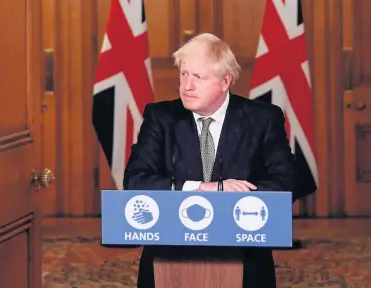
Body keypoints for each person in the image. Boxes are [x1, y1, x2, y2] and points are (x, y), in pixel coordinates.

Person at [123, 33, 294, 288]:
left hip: (244, 255)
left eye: (198, 77)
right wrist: (201, 189)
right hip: (169, 258)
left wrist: (233, 196)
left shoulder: (263, 119)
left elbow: (285, 182)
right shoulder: (161, 117)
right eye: (184, 74)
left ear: (225, 81)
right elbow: (135, 180)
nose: (187, 86)